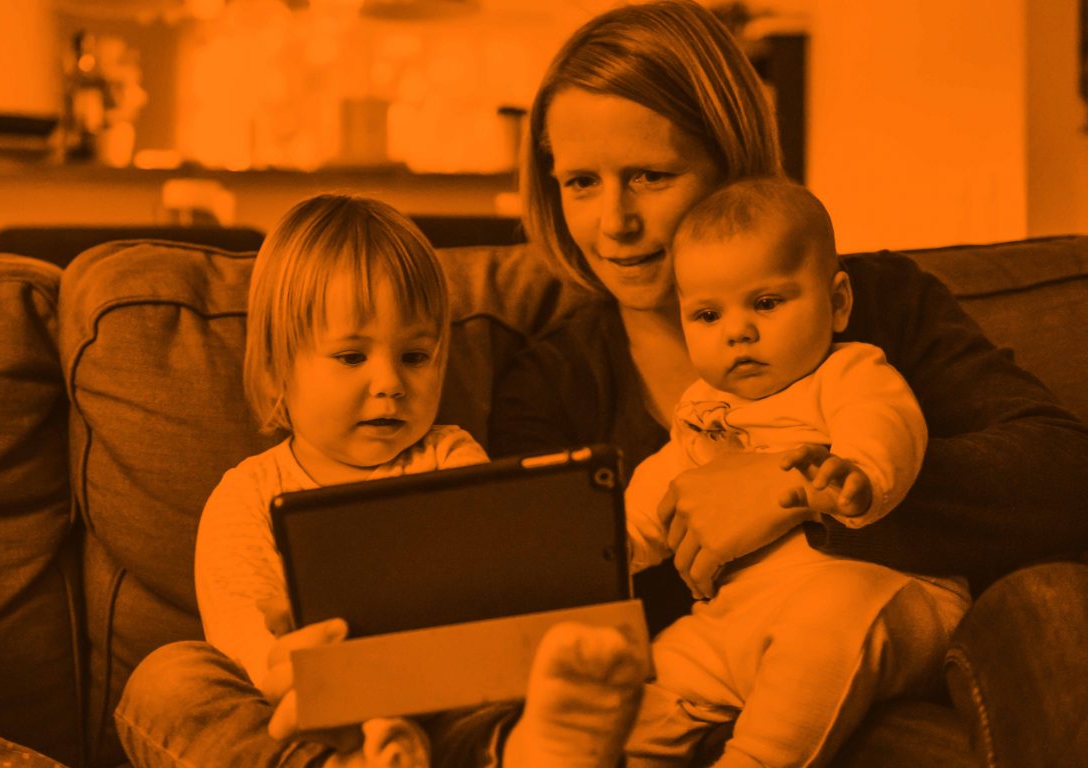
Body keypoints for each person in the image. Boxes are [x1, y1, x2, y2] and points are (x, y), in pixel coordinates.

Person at [489, 0, 1088, 758]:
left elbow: (1066, 476)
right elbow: (537, 609)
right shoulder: (548, 383)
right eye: (581, 182)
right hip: (704, 698)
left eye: (650, 175)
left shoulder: (877, 306)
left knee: (1057, 601)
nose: (615, 222)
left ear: (731, 165)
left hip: (917, 645)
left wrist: (795, 491)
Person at [116, 193, 645, 768]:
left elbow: (485, 602)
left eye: (415, 356)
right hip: (312, 715)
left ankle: (520, 752)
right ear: (275, 370)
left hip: (444, 700)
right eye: (351, 357)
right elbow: (249, 649)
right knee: (170, 677)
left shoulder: (450, 457)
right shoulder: (246, 495)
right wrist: (308, 673)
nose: (390, 382)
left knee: (516, 680)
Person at [618, 176, 970, 767]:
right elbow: (664, 486)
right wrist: (612, 546)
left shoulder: (846, 372)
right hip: (738, 616)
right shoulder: (703, 409)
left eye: (766, 303)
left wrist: (859, 474)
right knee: (649, 685)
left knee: (825, 620)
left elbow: (884, 420)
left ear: (837, 303)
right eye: (707, 314)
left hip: (882, 595)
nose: (738, 331)